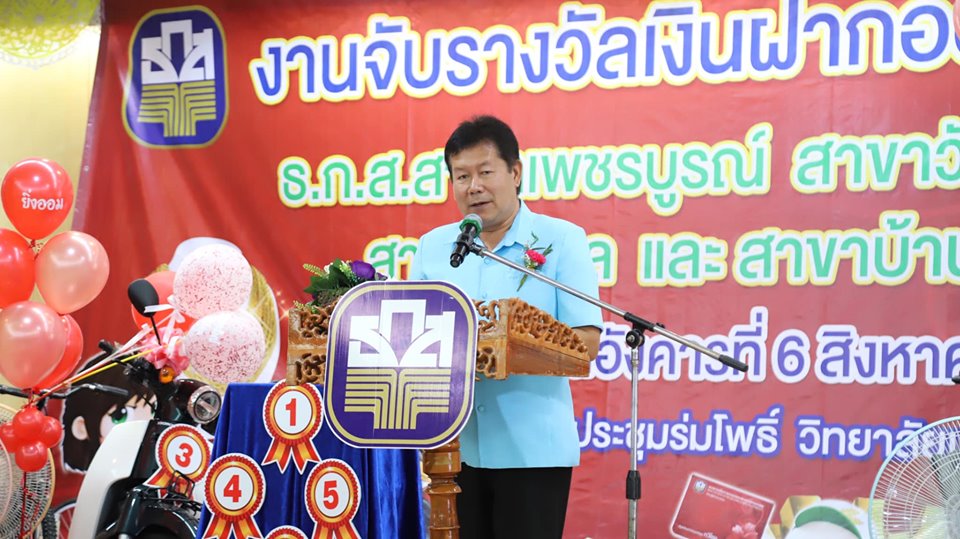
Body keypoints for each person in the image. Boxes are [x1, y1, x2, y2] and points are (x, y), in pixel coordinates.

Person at [409, 115, 602, 539]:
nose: (473, 186)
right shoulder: (433, 248)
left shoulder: (562, 240)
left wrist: (506, 350)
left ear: (515, 173)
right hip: (451, 453)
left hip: (533, 453)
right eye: (461, 176)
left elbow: (587, 342)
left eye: (485, 172)